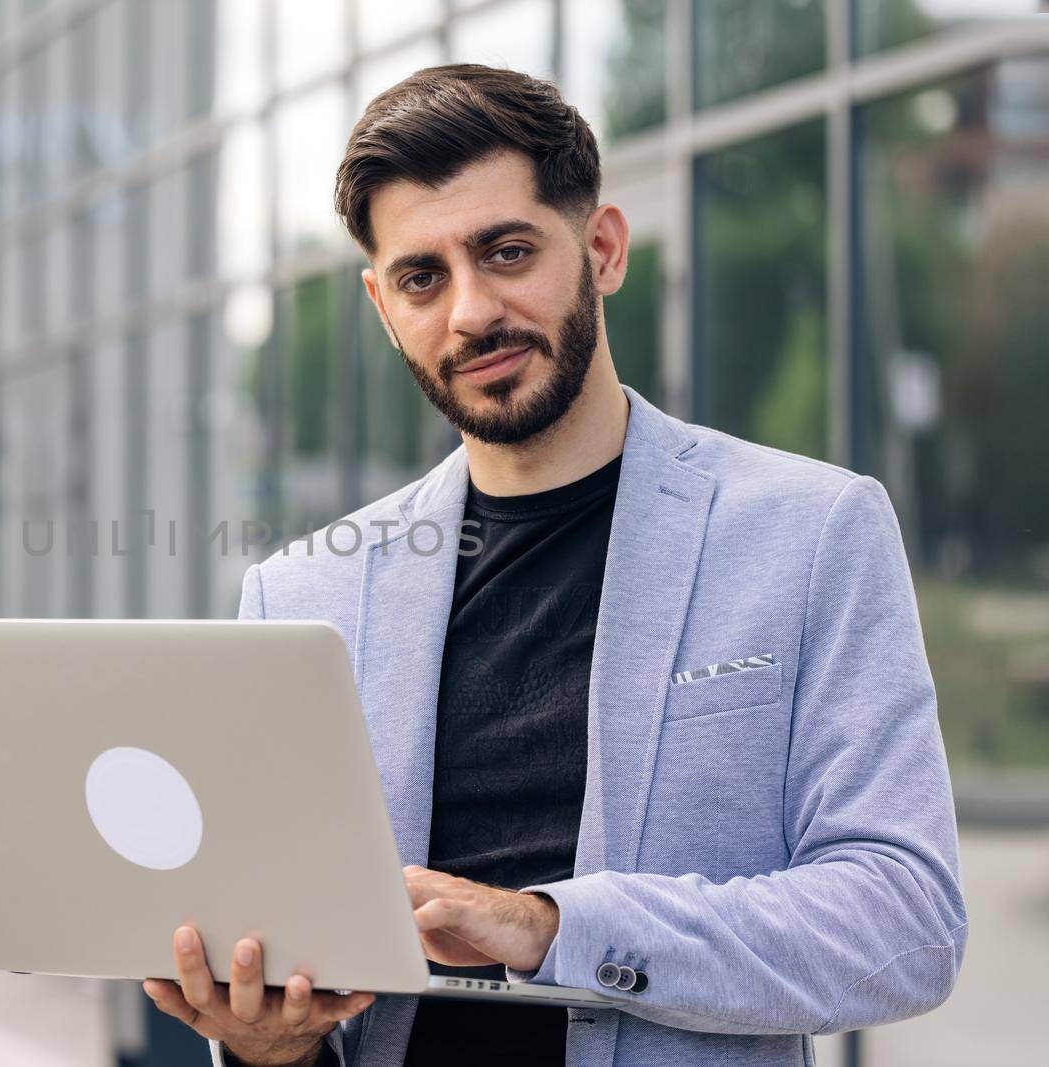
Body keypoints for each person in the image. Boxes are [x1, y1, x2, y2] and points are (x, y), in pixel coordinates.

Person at [141, 64, 967, 1067]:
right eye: (422, 276)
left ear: (603, 248)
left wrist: (548, 928)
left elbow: (903, 922)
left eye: (506, 251)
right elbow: (294, 973)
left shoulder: (810, 532)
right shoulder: (300, 594)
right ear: (381, 302)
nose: (471, 311)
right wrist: (273, 1046)